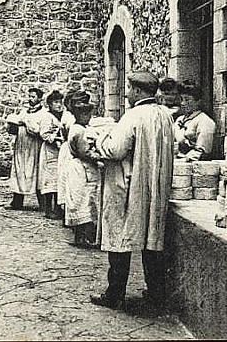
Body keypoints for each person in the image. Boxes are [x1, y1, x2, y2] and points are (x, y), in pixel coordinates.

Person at [88, 71, 175, 312]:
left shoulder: (132, 116)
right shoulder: (165, 115)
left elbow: (115, 150)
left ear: (137, 91)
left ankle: (114, 294)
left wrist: (100, 140)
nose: (126, 93)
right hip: (156, 187)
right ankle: (156, 295)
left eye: (129, 89)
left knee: (119, 239)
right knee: (152, 239)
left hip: (128, 187)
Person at [63, 91, 101, 247]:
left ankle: (84, 236)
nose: (88, 117)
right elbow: (84, 152)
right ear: (79, 115)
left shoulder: (82, 128)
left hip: (81, 167)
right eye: (85, 114)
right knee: (83, 201)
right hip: (81, 169)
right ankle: (82, 236)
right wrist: (98, 155)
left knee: (84, 201)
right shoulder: (78, 130)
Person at [6, 87, 45, 210]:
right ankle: (17, 201)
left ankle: (43, 203)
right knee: (19, 171)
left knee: (36, 172)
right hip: (21, 147)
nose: (30, 99)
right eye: (29, 96)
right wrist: (13, 124)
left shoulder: (43, 114)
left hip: (34, 147)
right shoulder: (24, 111)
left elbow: (39, 130)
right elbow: (15, 126)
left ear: (40, 98)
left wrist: (26, 123)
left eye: (33, 97)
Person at [37, 90, 65, 219]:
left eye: (60, 102)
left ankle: (59, 208)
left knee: (60, 179)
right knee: (50, 180)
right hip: (50, 151)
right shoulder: (47, 117)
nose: (59, 105)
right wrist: (55, 139)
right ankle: (48, 209)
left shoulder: (64, 116)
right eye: (55, 102)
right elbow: (44, 134)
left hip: (61, 152)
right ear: (49, 104)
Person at [174, 79, 217, 161]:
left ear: (198, 101)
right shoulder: (180, 120)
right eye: (181, 99)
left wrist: (182, 160)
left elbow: (202, 152)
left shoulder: (205, 121)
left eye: (187, 100)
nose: (183, 103)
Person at [56, 89, 79, 222]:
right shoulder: (68, 117)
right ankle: (67, 213)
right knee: (67, 182)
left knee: (70, 183)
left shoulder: (69, 116)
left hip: (69, 148)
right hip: (68, 149)